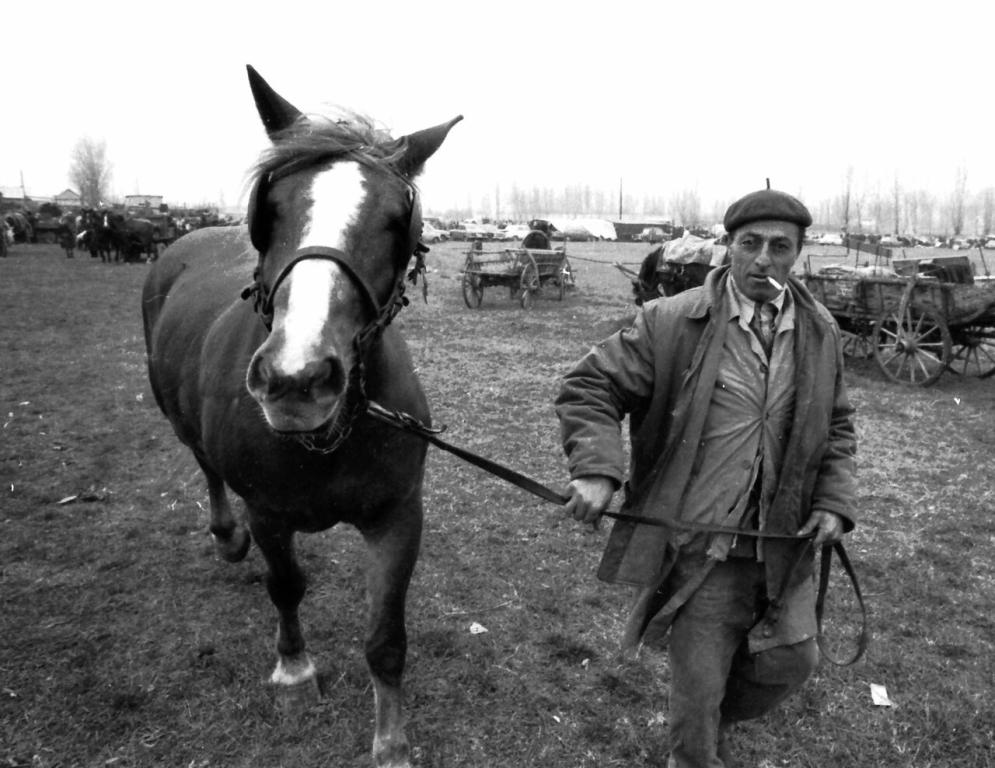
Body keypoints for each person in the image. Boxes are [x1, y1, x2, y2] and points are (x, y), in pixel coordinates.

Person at [555, 189, 857, 768]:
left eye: (779, 247)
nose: (763, 259)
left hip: (782, 540)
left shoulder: (820, 331)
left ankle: (716, 716)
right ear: (728, 246)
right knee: (696, 702)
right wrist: (596, 470)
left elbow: (837, 423)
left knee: (793, 662)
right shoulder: (672, 320)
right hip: (702, 547)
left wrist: (835, 500)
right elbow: (589, 387)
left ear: (797, 254)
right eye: (750, 244)